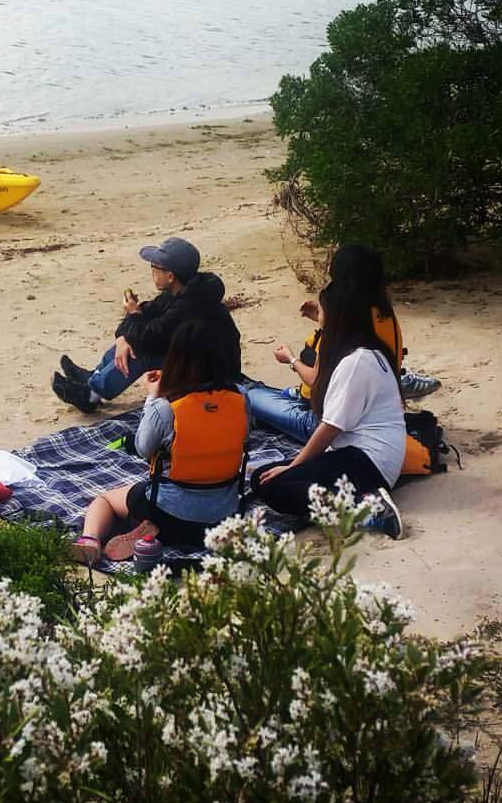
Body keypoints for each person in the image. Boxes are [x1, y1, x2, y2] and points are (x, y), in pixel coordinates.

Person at [70, 320, 249, 566]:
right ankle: (158, 531)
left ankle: (90, 540)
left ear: (175, 358)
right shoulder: (241, 397)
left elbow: (144, 448)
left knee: (105, 500)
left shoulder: (166, 406)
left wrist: (153, 397)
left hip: (169, 512)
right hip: (225, 515)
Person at [249, 280, 406, 538]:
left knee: (276, 484)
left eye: (321, 312)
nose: (317, 318)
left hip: (368, 462)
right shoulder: (366, 350)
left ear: (335, 319)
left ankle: (365, 508)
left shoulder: (356, 362)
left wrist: (292, 467)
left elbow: (329, 428)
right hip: (365, 457)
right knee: (263, 478)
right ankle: (360, 498)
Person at [245, 243, 435, 442]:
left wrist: (291, 359)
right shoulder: (384, 312)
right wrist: (321, 316)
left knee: (252, 395)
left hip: (325, 422)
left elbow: (316, 381)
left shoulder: (342, 330)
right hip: (377, 411)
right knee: (275, 394)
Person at [53, 236, 242, 413]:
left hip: (213, 374)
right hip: (193, 360)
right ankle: (93, 379)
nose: (151, 272)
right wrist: (122, 336)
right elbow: (146, 313)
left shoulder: (191, 304)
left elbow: (149, 337)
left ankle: (91, 396)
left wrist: (133, 315)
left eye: (154, 267)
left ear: (170, 276)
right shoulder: (181, 291)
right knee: (129, 341)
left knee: (139, 352)